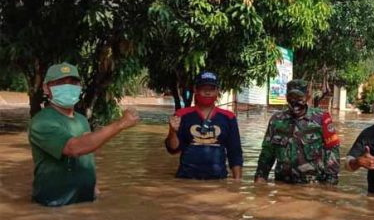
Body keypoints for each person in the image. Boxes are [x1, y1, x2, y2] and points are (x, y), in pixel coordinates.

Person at [28, 62, 140, 207]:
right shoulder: (41, 122)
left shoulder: (81, 120)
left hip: (86, 201)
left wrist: (95, 185)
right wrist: (120, 124)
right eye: (60, 82)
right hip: (54, 204)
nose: (68, 87)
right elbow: (74, 148)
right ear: (46, 88)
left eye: (73, 82)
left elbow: (88, 153)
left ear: (79, 87)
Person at [254, 79, 340, 184]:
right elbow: (267, 153)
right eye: (291, 98)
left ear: (308, 97)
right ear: (286, 98)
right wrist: (260, 180)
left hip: (313, 186)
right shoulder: (276, 120)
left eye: (299, 98)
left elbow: (332, 152)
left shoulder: (322, 119)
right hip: (282, 185)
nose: (295, 102)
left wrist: (329, 187)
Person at [165, 71, 243, 180]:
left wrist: (237, 183)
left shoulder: (228, 118)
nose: (207, 92)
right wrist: (172, 131)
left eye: (211, 89)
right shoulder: (182, 115)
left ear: (217, 91)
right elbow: (173, 150)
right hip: (186, 180)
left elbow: (235, 153)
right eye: (203, 88)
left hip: (218, 181)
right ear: (196, 90)